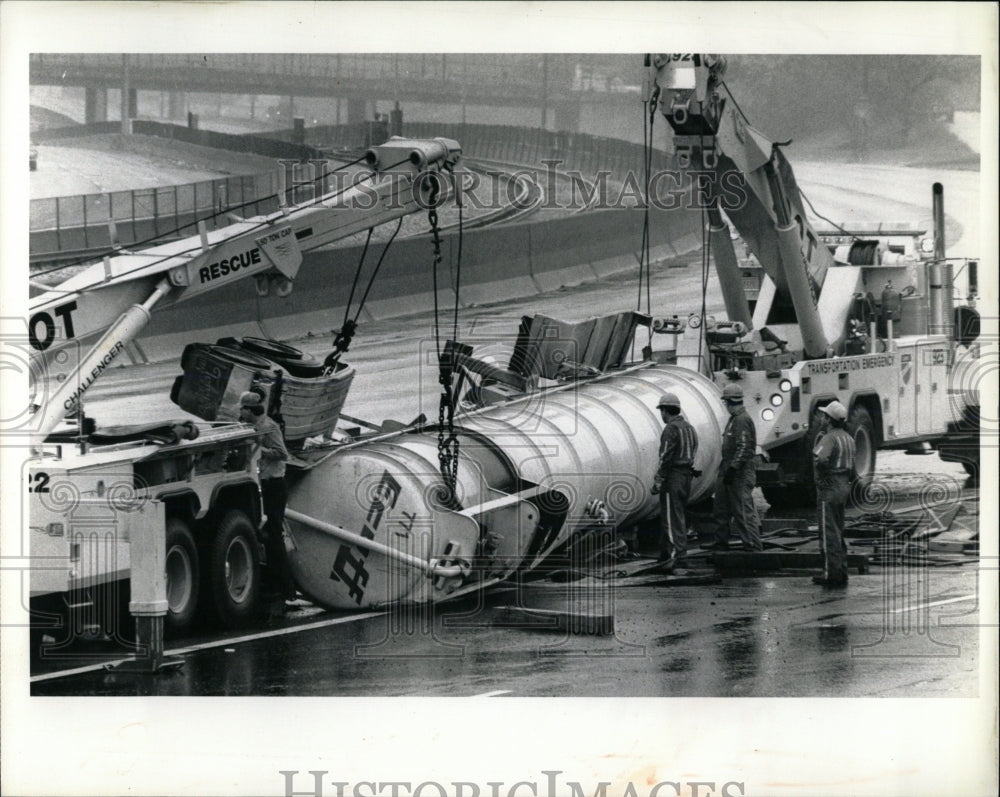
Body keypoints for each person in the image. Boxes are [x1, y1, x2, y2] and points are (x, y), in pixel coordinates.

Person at [238, 390, 295, 610]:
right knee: (270, 533)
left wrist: (259, 450)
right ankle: (277, 582)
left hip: (275, 485)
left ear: (250, 410)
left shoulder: (269, 427)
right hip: (267, 484)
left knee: (274, 533)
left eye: (243, 409)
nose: (240, 413)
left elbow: (282, 453)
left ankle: (283, 584)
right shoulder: (253, 426)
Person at [704, 382, 762, 552]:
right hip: (728, 470)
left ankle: (752, 546)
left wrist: (734, 468)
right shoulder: (734, 419)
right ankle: (721, 541)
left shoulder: (742, 420)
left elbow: (744, 447)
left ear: (729, 401)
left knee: (742, 510)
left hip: (739, 473)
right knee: (721, 508)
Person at [651, 392, 698, 573]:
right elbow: (693, 451)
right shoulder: (689, 428)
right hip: (686, 477)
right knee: (678, 516)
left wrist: (658, 480)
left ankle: (677, 558)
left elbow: (665, 457)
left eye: (661, 410)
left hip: (673, 478)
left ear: (665, 410)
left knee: (671, 518)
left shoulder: (671, 429)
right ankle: (666, 553)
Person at [812, 400, 855, 587]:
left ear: (829, 419)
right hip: (844, 485)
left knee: (828, 531)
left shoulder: (829, 438)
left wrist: (822, 480)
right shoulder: (849, 438)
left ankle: (831, 574)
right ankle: (841, 569)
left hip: (830, 489)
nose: (822, 418)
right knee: (838, 529)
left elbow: (820, 458)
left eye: (824, 416)